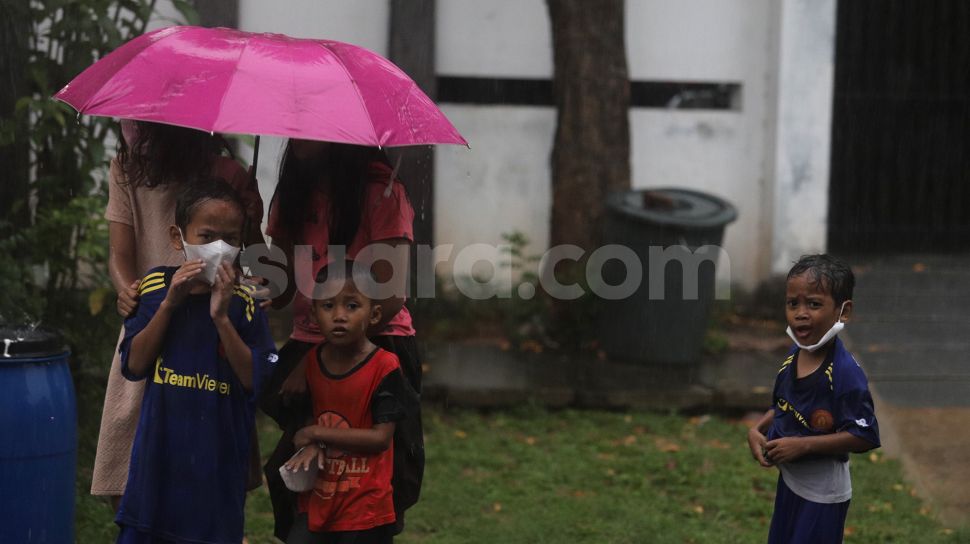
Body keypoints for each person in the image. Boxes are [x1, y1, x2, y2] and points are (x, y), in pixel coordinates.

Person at [92, 120, 264, 506]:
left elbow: (265, 271)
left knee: (206, 484)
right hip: (153, 324)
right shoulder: (127, 168)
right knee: (136, 483)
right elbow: (120, 253)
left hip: (214, 330)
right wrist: (128, 290)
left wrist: (253, 218)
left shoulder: (227, 174)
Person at [260, 140, 423, 539]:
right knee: (293, 476)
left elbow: (391, 292)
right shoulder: (293, 192)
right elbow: (278, 290)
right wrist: (250, 226)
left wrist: (319, 357)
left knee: (375, 476)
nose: (299, 135)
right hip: (310, 344)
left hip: (376, 344)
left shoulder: (381, 192)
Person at [114, 178, 277, 543]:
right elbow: (134, 365)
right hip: (157, 471)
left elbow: (258, 380)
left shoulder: (247, 303)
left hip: (216, 473)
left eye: (231, 239)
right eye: (206, 236)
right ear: (178, 237)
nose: (219, 248)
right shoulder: (155, 288)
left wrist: (221, 318)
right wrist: (171, 304)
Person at [746, 254, 880, 544]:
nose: (800, 313)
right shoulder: (796, 355)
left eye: (814, 304)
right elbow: (784, 404)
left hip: (822, 496)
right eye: (793, 303)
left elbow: (864, 434)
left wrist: (804, 445)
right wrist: (757, 430)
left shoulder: (844, 373)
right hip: (791, 483)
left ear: (843, 312)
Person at [282, 261, 409, 543]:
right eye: (328, 306)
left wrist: (315, 434)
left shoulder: (385, 367)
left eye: (352, 306)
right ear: (314, 313)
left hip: (365, 506)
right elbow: (308, 420)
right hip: (320, 497)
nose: (339, 316)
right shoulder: (311, 364)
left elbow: (380, 438)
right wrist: (311, 439)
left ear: (374, 313)